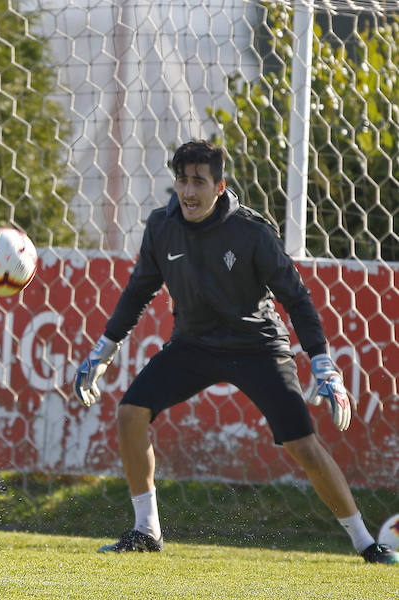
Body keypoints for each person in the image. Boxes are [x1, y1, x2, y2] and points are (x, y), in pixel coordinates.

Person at [73, 140, 398, 565]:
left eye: (199, 182)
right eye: (182, 180)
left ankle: (365, 544)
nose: (189, 192)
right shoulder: (161, 225)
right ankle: (145, 531)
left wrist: (323, 363)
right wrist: (104, 348)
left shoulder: (252, 232)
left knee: (302, 443)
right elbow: (139, 291)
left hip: (257, 347)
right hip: (193, 345)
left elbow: (296, 299)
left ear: (220, 186)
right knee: (130, 412)